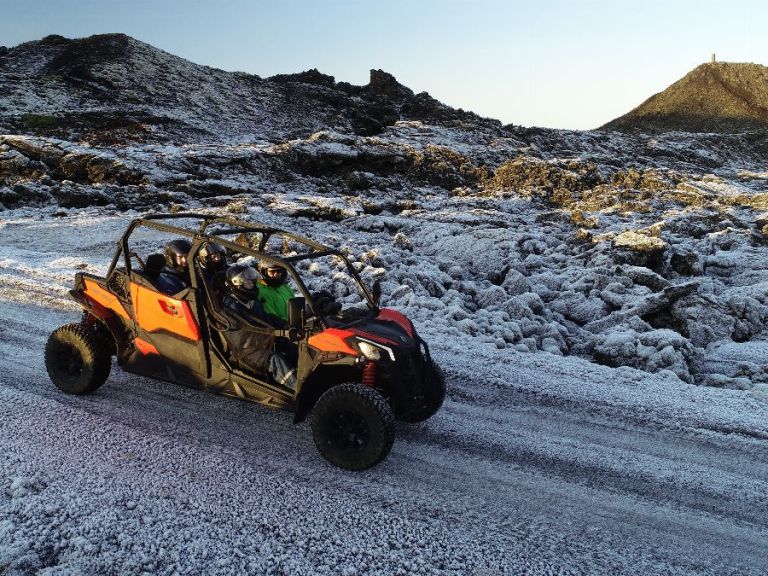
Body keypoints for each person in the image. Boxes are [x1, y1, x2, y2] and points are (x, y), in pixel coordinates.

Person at [222, 264, 296, 390]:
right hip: (244, 351)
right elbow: (240, 337)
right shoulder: (230, 308)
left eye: (253, 282)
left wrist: (284, 326)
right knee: (275, 360)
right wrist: (270, 335)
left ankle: (307, 378)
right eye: (249, 283)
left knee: (291, 347)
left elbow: (266, 320)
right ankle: (298, 389)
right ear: (238, 285)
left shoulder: (252, 301)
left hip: (262, 342)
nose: (253, 285)